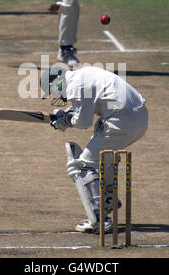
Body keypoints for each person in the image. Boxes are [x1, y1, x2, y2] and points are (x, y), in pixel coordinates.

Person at [40, 65, 148, 233]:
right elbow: (86, 105)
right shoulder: (83, 75)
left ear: (57, 85)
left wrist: (64, 121)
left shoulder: (76, 86)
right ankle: (108, 199)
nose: (54, 96)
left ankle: (100, 217)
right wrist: (65, 115)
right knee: (105, 156)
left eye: (52, 91)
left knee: (84, 165)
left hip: (122, 120)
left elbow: (82, 122)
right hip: (138, 118)